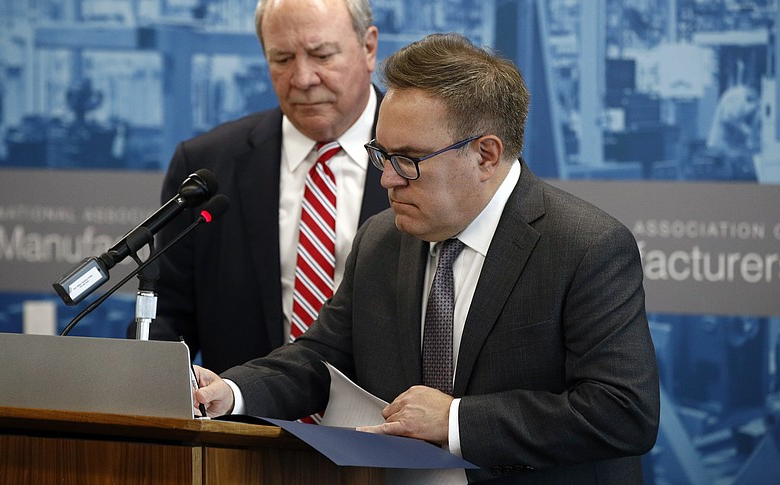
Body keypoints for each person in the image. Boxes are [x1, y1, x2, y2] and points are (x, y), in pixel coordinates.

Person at [193, 33, 661, 483]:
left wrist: (455, 420)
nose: (388, 181)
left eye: (409, 160)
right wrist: (230, 393)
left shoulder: (586, 247)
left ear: (485, 156)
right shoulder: (382, 238)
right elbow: (322, 359)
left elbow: (622, 411)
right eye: (382, 154)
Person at [130, 0, 389, 372]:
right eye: (282, 59)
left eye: (322, 55)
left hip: (387, 430)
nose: (302, 78)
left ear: (369, 48)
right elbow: (167, 315)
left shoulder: (431, 158)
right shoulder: (205, 166)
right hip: (244, 426)